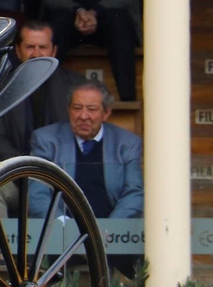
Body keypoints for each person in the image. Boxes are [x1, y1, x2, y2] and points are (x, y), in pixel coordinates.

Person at [28, 80, 144, 220]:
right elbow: (36, 193)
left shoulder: (126, 143)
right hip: (61, 230)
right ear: (68, 110)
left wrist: (111, 227)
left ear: (106, 113)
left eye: (91, 109)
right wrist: (63, 224)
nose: (83, 116)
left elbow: (134, 193)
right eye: (77, 108)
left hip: (111, 230)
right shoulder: (46, 140)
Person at [0, 19, 80, 163]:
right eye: (30, 47)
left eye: (43, 47)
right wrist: (24, 169)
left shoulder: (75, 86)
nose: (36, 54)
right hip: (13, 171)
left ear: (54, 51)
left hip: (63, 173)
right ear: (18, 51)